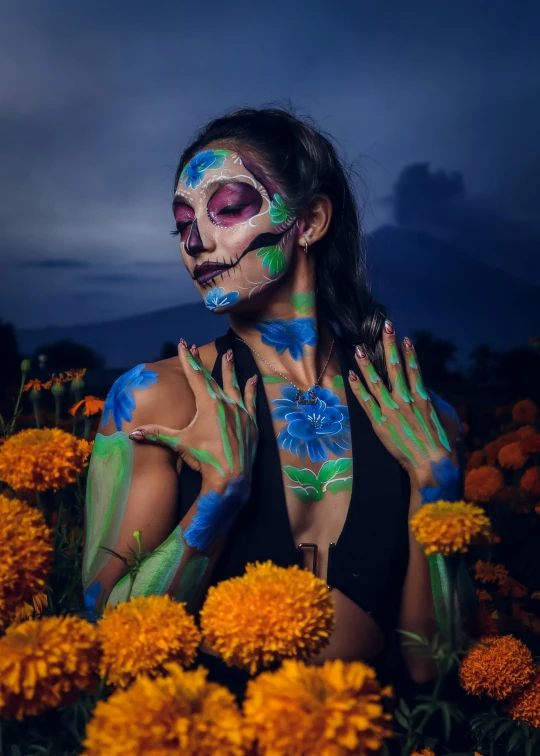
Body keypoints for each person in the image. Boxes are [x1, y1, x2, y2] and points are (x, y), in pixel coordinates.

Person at [81, 106, 475, 701]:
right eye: (182, 221)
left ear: (311, 220)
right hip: (208, 732)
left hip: (370, 730)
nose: (195, 241)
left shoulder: (423, 420)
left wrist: (436, 486)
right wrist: (218, 498)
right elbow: (102, 630)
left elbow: (433, 666)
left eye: (229, 208)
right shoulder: (154, 400)